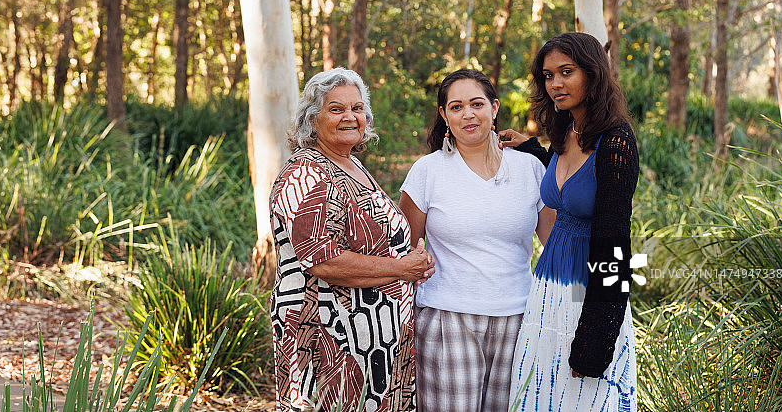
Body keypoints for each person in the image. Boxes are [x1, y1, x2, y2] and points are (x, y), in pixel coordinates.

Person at [268, 68, 434, 412]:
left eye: (357, 108)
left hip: (372, 341)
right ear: (313, 120)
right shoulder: (307, 173)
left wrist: (412, 264)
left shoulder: (350, 164)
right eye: (336, 109)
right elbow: (323, 259)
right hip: (328, 338)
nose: (350, 117)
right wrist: (402, 268)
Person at [398, 69, 555, 412]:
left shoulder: (530, 168)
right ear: (444, 115)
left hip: (519, 317)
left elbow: (556, 248)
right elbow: (403, 250)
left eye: (477, 104)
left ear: (494, 108)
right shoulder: (427, 172)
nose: (468, 114)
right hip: (448, 317)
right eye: (456, 107)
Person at [503, 32, 639, 411]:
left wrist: (596, 340)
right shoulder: (565, 130)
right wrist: (531, 147)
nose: (555, 84)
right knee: (539, 395)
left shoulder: (616, 141)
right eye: (548, 76)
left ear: (593, 74)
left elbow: (615, 245)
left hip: (589, 293)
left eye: (567, 72)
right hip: (547, 286)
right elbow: (570, 185)